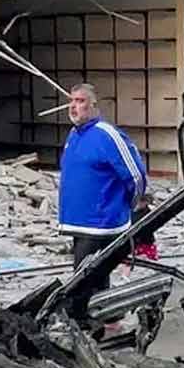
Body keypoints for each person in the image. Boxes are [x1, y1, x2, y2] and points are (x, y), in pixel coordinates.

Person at [58, 83, 147, 317]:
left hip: (100, 222)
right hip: (79, 221)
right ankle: (108, 319)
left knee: (83, 279)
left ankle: (81, 322)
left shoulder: (107, 135)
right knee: (96, 276)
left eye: (80, 101)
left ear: (93, 105)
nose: (73, 106)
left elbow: (135, 175)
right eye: (71, 101)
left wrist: (129, 204)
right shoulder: (74, 135)